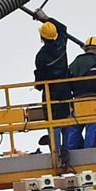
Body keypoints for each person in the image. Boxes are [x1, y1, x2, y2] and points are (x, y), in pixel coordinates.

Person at [33, 9, 71, 153]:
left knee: (53, 121)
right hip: (65, 90)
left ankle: (55, 149)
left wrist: (37, 84)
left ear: (42, 37)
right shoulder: (61, 45)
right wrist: (45, 18)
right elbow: (63, 28)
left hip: (51, 92)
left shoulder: (41, 56)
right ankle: (66, 148)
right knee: (66, 120)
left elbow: (40, 79)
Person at [67, 36, 96, 150]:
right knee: (92, 126)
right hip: (95, 98)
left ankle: (70, 150)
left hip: (78, 98)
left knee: (75, 125)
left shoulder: (77, 61)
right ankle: (89, 151)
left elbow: (69, 78)